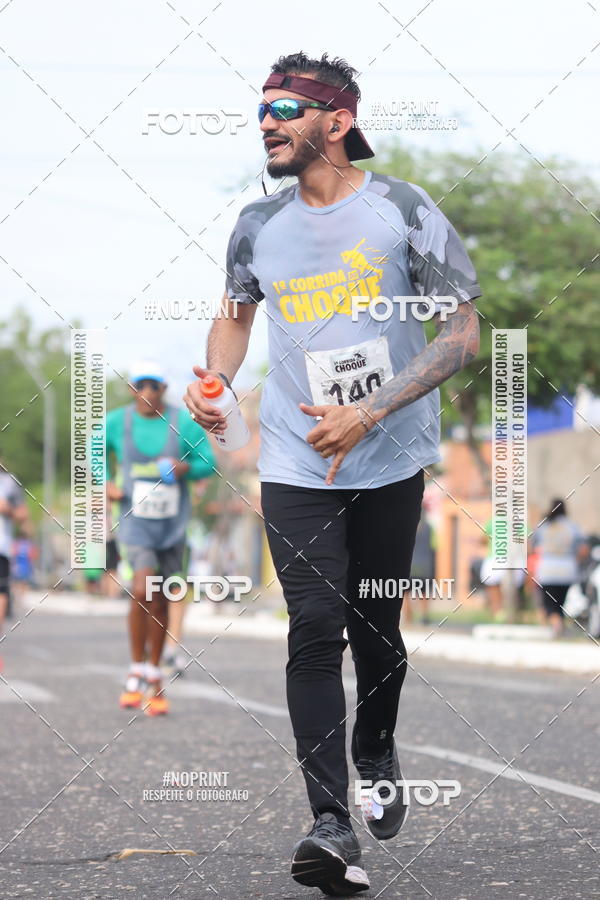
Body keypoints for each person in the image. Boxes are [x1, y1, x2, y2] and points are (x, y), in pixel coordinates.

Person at [184, 51, 481, 895]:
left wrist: (373, 408)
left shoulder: (403, 210)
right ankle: (329, 824)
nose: (267, 124)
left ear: (337, 122)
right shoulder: (256, 224)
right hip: (295, 458)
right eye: (262, 111)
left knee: (376, 630)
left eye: (284, 109)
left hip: (387, 457)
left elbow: (462, 334)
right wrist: (215, 381)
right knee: (313, 626)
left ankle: (377, 747)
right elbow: (233, 318)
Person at [106, 361, 215, 715]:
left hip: (172, 525)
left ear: (164, 390)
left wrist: (184, 467)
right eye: (142, 386)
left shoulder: (181, 422)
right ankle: (136, 668)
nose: (148, 393)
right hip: (135, 523)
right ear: (132, 389)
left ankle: (154, 676)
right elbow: (92, 453)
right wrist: (104, 480)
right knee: (142, 588)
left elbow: (207, 462)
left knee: (163, 596)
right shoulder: (117, 422)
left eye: (155, 386)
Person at [532, 498, 585, 637]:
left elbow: (532, 546)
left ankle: (557, 627)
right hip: (568, 569)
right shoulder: (572, 526)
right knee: (561, 601)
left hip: (548, 569)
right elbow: (583, 549)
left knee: (550, 602)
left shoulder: (544, 525)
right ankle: (560, 627)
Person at [0, 464, 29, 671]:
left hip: (1, 548)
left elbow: (23, 514)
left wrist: (7, 509)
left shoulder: (9, 482)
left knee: (1, 595)